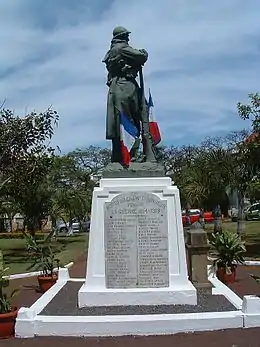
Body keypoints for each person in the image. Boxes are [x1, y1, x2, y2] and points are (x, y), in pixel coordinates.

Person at [102, 26, 155, 164]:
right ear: (122, 36)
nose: (128, 38)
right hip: (126, 86)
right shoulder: (122, 48)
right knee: (130, 121)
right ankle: (131, 154)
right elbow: (141, 56)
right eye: (126, 35)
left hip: (115, 88)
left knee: (119, 122)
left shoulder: (110, 52)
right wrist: (143, 53)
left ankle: (119, 156)